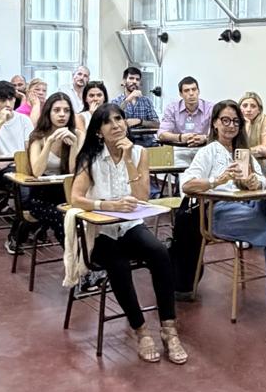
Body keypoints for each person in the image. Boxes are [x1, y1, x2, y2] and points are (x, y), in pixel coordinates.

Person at [71, 105, 187, 364]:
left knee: (159, 253)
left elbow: (142, 197)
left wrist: (127, 161)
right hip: (100, 231)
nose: (116, 125)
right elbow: (75, 197)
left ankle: (169, 329)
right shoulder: (89, 157)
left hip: (130, 226)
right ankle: (141, 331)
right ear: (99, 132)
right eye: (108, 122)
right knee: (118, 265)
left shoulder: (139, 153)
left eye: (119, 119)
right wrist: (105, 204)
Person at [182, 101, 266, 329]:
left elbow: (262, 182)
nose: (231, 125)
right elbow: (187, 185)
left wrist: (256, 181)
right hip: (220, 213)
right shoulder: (208, 152)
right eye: (225, 120)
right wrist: (217, 180)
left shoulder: (245, 154)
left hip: (248, 207)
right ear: (214, 123)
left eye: (235, 121)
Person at [17, 92, 80, 251]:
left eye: (66, 111)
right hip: (41, 197)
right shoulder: (38, 137)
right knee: (63, 219)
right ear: (48, 113)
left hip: (65, 193)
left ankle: (86, 260)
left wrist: (73, 145)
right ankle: (77, 262)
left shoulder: (75, 134)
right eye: (57, 110)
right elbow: (37, 172)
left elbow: (73, 171)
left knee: (82, 218)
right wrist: (49, 142)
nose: (62, 115)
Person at [157, 76, 213, 165]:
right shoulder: (172, 108)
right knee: (184, 173)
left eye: (194, 89)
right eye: (186, 91)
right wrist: (180, 137)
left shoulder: (210, 108)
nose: (191, 93)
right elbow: (162, 134)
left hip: (203, 149)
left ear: (198, 91)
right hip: (180, 149)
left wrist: (204, 138)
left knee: (204, 171)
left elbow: (219, 133)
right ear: (181, 94)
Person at [239, 91, 266, 161]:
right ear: (239, 108)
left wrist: (244, 152)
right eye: (245, 106)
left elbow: (265, 147)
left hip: (265, 164)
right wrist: (247, 125)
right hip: (245, 163)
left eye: (253, 106)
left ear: (259, 110)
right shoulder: (234, 122)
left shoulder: (264, 119)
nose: (248, 109)